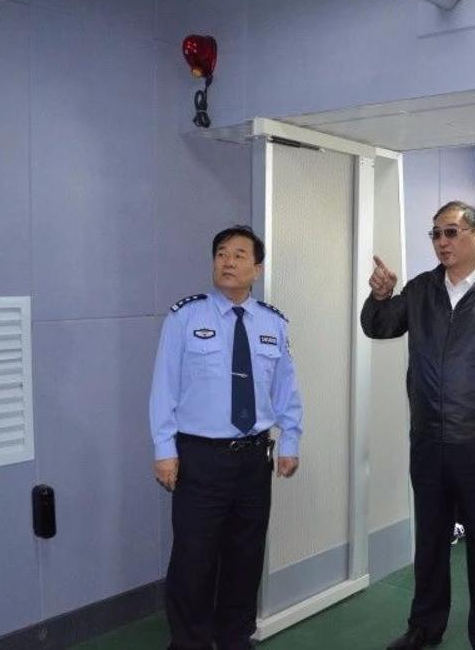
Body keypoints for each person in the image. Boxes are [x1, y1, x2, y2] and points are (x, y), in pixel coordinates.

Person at [362, 201, 475, 650]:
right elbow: (380, 326)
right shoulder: (422, 289)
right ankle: (424, 627)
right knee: (430, 540)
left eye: (451, 232)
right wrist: (380, 296)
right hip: (429, 440)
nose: (441, 242)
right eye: (436, 234)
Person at [150, 225, 303, 650]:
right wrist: (164, 450)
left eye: (239, 254)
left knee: (245, 555)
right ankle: (189, 642)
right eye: (221, 253)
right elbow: (163, 388)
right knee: (193, 559)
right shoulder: (185, 317)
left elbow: (286, 390)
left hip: (254, 459)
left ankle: (235, 636)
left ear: (257, 268)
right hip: (200, 458)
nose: (228, 261)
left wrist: (290, 441)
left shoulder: (273, 323)